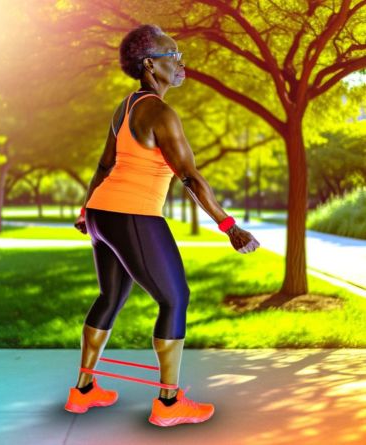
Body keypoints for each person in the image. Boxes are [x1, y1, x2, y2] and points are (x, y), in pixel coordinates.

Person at [64, 24, 260, 427]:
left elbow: (105, 165)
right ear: (151, 65)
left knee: (110, 297)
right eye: (174, 56)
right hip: (132, 213)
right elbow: (189, 175)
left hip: (103, 214)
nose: (181, 63)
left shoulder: (127, 105)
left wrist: (87, 211)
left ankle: (83, 391)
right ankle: (169, 404)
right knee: (175, 299)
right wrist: (228, 225)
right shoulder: (160, 112)